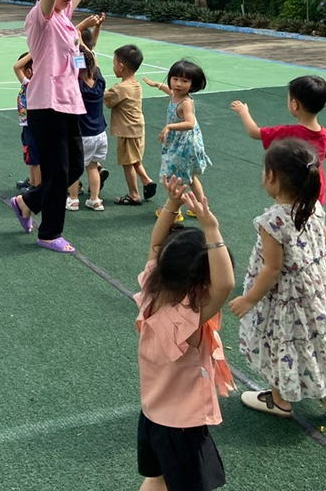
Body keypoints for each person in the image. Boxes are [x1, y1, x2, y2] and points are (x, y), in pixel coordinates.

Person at [228, 139, 326, 417]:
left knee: (281, 341)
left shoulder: (272, 221)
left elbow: (272, 268)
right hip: (316, 292)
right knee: (318, 336)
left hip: (285, 299)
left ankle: (279, 400)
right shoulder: (313, 208)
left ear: (272, 177)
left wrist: (249, 299)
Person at [134, 178, 235, 491]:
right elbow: (226, 284)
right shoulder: (187, 318)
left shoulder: (151, 292)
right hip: (181, 427)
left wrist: (171, 206)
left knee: (158, 479)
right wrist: (211, 229)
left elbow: (155, 246)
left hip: (151, 417)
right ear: (199, 284)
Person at [8, 0, 94, 254]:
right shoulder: (40, 17)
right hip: (46, 103)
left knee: (74, 166)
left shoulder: (64, 15)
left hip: (69, 102)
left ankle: (27, 202)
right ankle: (49, 233)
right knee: (58, 173)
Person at [230, 75, 326, 205]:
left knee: (289, 215)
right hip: (316, 189)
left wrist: (243, 112)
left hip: (292, 190)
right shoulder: (325, 135)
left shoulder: (287, 133)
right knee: (312, 215)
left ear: (295, 104)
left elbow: (254, 132)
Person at [144, 60, 211, 216]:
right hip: (183, 143)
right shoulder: (176, 95)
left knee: (173, 178)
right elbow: (169, 91)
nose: (178, 84)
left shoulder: (186, 103)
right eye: (175, 79)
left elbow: (190, 123)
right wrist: (156, 85)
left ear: (193, 84)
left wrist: (169, 127)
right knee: (190, 177)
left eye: (185, 81)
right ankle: (200, 208)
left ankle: (174, 211)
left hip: (184, 146)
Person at [104, 44, 157, 207]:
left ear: (121, 66)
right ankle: (146, 181)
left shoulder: (120, 88)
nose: (113, 66)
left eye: (114, 63)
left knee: (127, 163)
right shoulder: (135, 84)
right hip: (137, 128)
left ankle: (134, 194)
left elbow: (105, 98)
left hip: (127, 131)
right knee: (135, 159)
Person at [67, 43, 108, 211]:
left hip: (83, 135)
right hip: (100, 134)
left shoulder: (77, 87)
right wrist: (82, 43)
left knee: (74, 167)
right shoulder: (100, 82)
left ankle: (73, 199)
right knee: (92, 166)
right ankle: (95, 199)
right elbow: (94, 62)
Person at [11, 52, 41, 193]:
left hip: (33, 126)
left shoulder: (31, 84)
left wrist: (34, 51)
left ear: (29, 72)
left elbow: (16, 67)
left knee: (35, 159)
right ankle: (32, 182)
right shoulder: (35, 84)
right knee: (31, 156)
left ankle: (37, 188)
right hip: (29, 125)